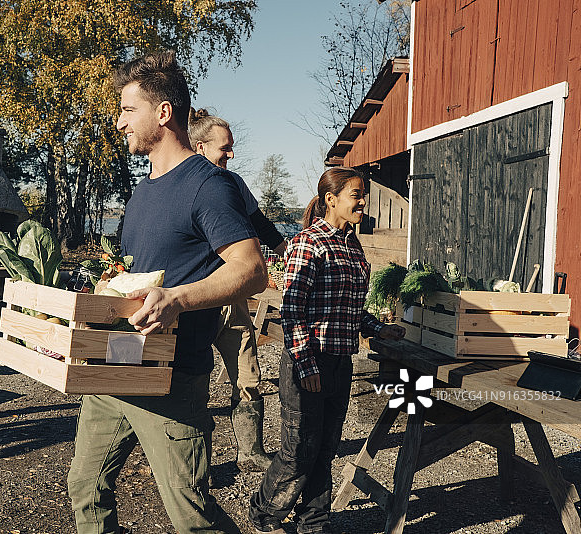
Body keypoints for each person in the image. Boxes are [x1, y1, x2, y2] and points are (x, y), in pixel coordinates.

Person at [67, 51, 267, 534]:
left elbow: (253, 270)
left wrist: (176, 299)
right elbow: (135, 272)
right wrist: (102, 293)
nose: (119, 123)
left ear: (163, 113)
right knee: (85, 490)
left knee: (190, 516)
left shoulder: (209, 186)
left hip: (172, 378)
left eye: (127, 110)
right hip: (116, 364)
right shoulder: (142, 191)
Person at [248, 167, 405, 534]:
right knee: (298, 453)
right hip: (309, 363)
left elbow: (347, 308)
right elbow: (292, 309)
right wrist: (305, 364)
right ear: (331, 200)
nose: (363, 201)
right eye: (356, 194)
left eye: (362, 194)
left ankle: (313, 524)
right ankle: (262, 516)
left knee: (326, 449)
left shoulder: (352, 244)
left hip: (339, 363)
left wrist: (382, 328)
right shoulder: (309, 243)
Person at [188, 107, 286, 471]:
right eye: (224, 148)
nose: (231, 154)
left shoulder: (232, 184)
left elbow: (260, 223)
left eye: (231, 147)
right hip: (193, 300)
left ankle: (250, 450)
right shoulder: (183, 185)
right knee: (191, 382)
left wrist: (286, 255)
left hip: (233, 301)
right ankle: (193, 465)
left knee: (248, 375)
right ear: (199, 147)